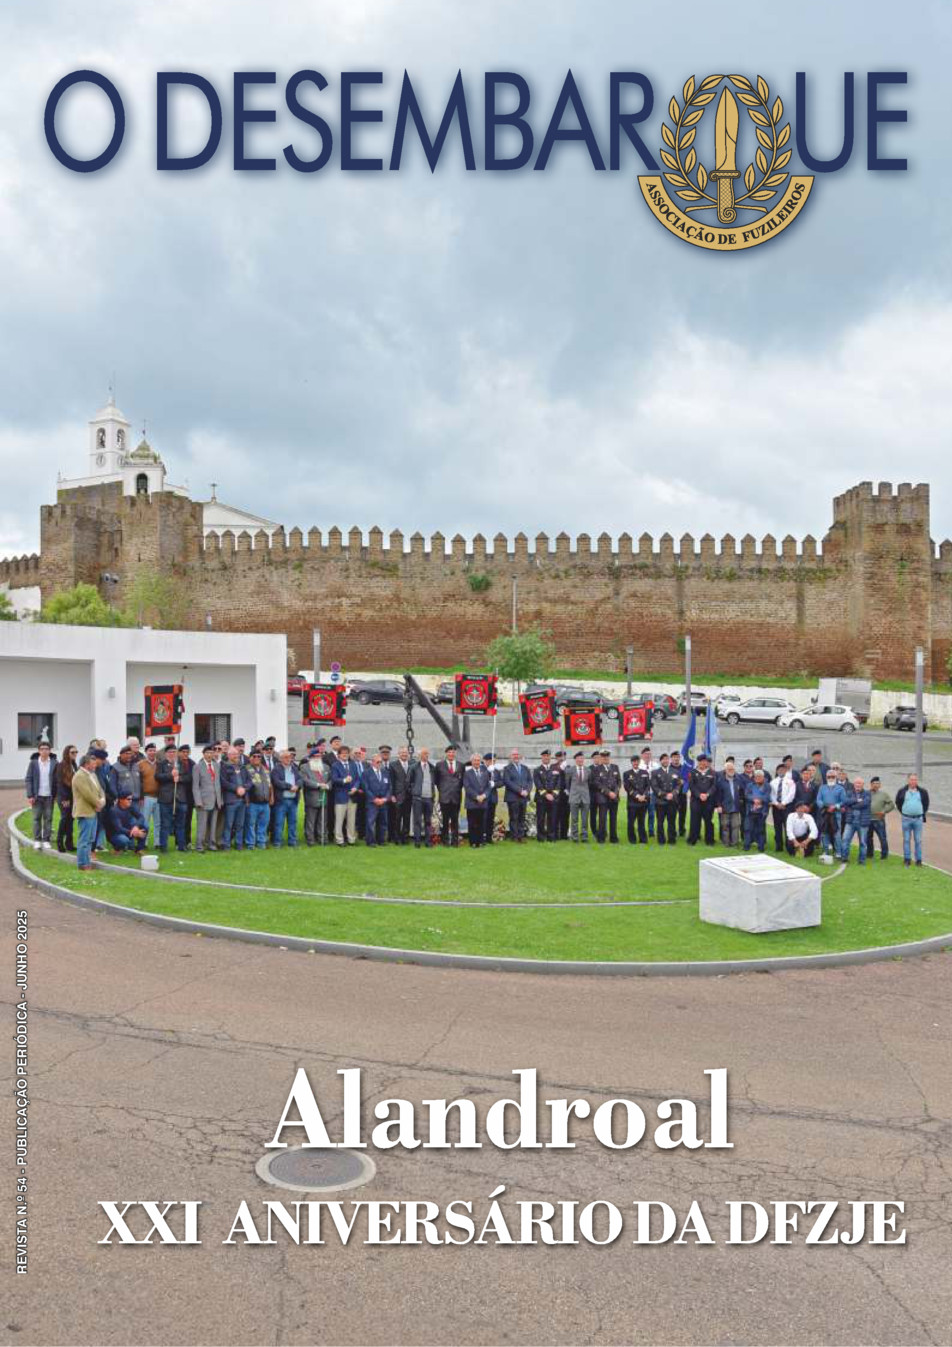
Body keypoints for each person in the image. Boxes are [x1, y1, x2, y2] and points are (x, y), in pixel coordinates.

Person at [72, 751, 106, 871]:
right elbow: (87, 794)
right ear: (86, 764)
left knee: (90, 839)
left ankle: (87, 862)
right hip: (85, 812)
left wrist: (102, 801)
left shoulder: (93, 775)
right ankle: (83, 864)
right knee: (84, 839)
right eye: (93, 764)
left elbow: (100, 790)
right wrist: (98, 804)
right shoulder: (79, 776)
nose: (95, 765)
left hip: (94, 811)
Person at [25, 739, 56, 850]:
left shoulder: (54, 763)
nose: (44, 751)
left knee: (48, 819)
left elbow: (57, 780)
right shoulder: (33, 763)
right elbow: (28, 779)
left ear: (50, 750)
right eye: (42, 749)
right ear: (39, 751)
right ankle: (37, 840)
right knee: (36, 819)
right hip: (37, 796)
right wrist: (30, 795)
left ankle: (46, 840)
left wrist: (56, 795)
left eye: (46, 749)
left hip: (49, 796)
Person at [193, 745, 223, 852]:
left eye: (211, 753)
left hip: (216, 800)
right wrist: (198, 801)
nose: (210, 755)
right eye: (207, 753)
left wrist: (220, 800)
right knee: (202, 825)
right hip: (203, 801)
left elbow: (218, 784)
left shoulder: (217, 766)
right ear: (203, 754)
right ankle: (199, 845)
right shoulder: (197, 767)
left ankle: (212, 844)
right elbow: (195, 786)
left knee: (213, 824)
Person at [220, 747, 251, 850]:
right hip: (231, 800)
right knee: (228, 824)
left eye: (237, 754)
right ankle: (226, 845)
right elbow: (224, 782)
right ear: (228, 755)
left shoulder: (243, 767)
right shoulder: (225, 767)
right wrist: (236, 788)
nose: (236, 756)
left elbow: (249, 781)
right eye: (233, 754)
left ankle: (239, 844)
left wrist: (244, 788)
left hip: (242, 800)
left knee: (240, 824)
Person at [155, 745, 184, 853]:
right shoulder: (161, 764)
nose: (172, 754)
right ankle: (163, 847)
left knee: (180, 824)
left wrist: (179, 778)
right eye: (170, 752)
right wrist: (170, 775)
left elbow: (188, 777)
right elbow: (158, 777)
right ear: (166, 753)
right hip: (166, 799)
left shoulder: (180, 764)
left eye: (174, 752)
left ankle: (181, 846)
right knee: (165, 824)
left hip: (179, 798)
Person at [896, 774, 929, 867]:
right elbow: (898, 803)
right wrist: (904, 811)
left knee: (918, 840)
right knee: (906, 839)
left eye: (915, 780)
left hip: (918, 819)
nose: (913, 781)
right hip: (906, 819)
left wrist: (921, 812)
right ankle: (907, 859)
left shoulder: (923, 792)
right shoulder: (902, 791)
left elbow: (926, 804)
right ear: (908, 780)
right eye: (911, 779)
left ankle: (918, 860)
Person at [270, 750, 302, 847]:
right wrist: (290, 787)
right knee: (279, 823)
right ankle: (277, 842)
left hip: (293, 800)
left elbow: (300, 779)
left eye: (290, 757)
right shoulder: (276, 769)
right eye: (286, 757)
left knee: (293, 822)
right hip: (281, 800)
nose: (289, 759)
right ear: (281, 759)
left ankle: (292, 842)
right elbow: (277, 782)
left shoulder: (294, 768)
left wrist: (297, 786)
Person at [434, 746, 464, 846]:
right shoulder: (439, 765)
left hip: (456, 797)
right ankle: (445, 841)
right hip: (444, 797)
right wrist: (443, 790)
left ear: (455, 753)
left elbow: (462, 781)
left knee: (455, 820)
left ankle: (455, 841)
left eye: (453, 752)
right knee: (445, 820)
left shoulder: (461, 765)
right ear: (446, 753)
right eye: (449, 752)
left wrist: (455, 789)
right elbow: (436, 781)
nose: (451, 754)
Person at [300, 750, 331, 846]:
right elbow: (305, 780)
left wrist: (328, 785)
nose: (318, 758)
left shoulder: (326, 767)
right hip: (312, 797)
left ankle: (322, 839)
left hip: (324, 796)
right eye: (315, 756)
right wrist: (318, 785)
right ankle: (310, 839)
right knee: (310, 820)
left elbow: (331, 779)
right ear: (311, 757)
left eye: (319, 756)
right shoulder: (304, 767)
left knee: (323, 820)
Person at [591, 750, 621, 844]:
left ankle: (613, 838)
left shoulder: (615, 767)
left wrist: (615, 792)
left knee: (613, 818)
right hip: (602, 797)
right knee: (602, 819)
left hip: (614, 797)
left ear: (609, 757)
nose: (605, 758)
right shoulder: (597, 769)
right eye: (604, 757)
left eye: (607, 756)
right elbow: (597, 783)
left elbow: (619, 781)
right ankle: (601, 838)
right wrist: (608, 793)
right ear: (601, 758)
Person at [331, 745, 359, 846]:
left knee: (351, 820)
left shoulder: (353, 764)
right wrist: (344, 780)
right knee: (339, 820)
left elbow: (357, 779)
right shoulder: (335, 765)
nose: (345, 755)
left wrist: (355, 787)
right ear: (339, 755)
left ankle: (351, 839)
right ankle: (339, 840)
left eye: (346, 753)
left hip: (352, 796)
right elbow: (334, 779)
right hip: (340, 797)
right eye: (343, 753)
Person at [687, 752, 717, 846]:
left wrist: (707, 794)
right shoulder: (692, 772)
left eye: (704, 761)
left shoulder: (712, 772)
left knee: (709, 821)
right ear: (698, 762)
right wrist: (699, 795)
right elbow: (692, 786)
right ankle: (693, 839)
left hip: (708, 801)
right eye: (701, 761)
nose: (703, 763)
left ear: (707, 762)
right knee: (695, 821)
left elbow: (714, 786)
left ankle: (709, 840)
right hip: (696, 801)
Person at [815, 770, 847, 860]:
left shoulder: (840, 788)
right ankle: (825, 851)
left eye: (833, 776)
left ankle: (838, 852)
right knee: (824, 832)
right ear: (826, 777)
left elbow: (844, 801)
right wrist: (825, 806)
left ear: (836, 777)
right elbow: (818, 800)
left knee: (837, 833)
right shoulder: (822, 788)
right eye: (829, 777)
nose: (831, 778)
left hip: (836, 814)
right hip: (825, 813)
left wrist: (835, 806)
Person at [408, 747, 436, 847]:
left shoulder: (432, 767)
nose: (426, 755)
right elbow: (408, 782)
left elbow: (434, 781)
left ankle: (428, 841)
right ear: (419, 755)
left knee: (428, 821)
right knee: (417, 821)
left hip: (429, 798)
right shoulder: (414, 767)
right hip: (418, 798)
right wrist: (414, 792)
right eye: (424, 753)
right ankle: (417, 841)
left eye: (427, 753)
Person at [841, 776, 872, 865]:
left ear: (863, 784)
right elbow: (845, 801)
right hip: (850, 821)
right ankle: (844, 858)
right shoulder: (849, 793)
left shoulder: (867, 793)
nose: (858, 785)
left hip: (862, 822)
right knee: (845, 840)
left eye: (860, 783)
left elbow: (865, 803)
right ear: (854, 784)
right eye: (856, 783)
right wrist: (857, 800)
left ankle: (861, 861)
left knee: (862, 843)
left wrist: (852, 805)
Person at [463, 752, 491, 848]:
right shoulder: (467, 773)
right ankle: (473, 842)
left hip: (483, 802)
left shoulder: (485, 772)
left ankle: (481, 841)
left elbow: (488, 787)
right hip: (472, 803)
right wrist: (476, 797)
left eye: (478, 760)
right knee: (472, 823)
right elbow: (467, 787)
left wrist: (484, 795)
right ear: (471, 761)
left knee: (481, 823)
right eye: (475, 760)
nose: (476, 762)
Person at [502, 750, 532, 841]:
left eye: (517, 754)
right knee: (514, 817)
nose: (516, 756)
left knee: (522, 817)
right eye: (514, 754)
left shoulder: (525, 768)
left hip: (524, 796)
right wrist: (520, 791)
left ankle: (521, 836)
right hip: (513, 797)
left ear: (520, 756)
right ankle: (514, 836)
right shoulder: (507, 769)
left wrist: (527, 791)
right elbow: (507, 782)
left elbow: (530, 781)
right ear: (511, 757)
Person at [363, 752, 391, 846]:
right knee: (370, 822)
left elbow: (389, 787)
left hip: (383, 802)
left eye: (380, 762)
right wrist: (374, 799)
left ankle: (381, 840)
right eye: (377, 762)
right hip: (372, 802)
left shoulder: (385, 772)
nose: (379, 764)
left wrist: (385, 799)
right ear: (372, 762)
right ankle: (370, 841)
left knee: (383, 822)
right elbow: (366, 788)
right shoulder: (366, 773)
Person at [651, 753, 680, 846]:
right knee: (660, 822)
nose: (666, 761)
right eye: (663, 759)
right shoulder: (655, 772)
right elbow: (655, 787)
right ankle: (661, 840)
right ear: (661, 761)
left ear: (669, 760)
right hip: (660, 801)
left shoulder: (675, 771)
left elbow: (678, 785)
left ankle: (671, 839)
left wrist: (673, 794)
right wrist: (665, 795)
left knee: (672, 821)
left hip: (672, 800)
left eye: (667, 759)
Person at [53, 744, 78, 852]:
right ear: (67, 753)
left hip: (73, 797)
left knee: (71, 819)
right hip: (64, 797)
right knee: (64, 819)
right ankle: (59, 842)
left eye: (76, 752)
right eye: (72, 752)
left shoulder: (74, 764)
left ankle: (69, 843)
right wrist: (65, 799)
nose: (75, 754)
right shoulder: (60, 765)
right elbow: (60, 783)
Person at [533, 749, 560, 843]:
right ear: (542, 757)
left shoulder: (556, 769)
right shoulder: (537, 770)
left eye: (548, 756)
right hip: (541, 799)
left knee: (552, 818)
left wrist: (553, 795)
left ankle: (551, 837)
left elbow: (558, 784)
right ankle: (541, 837)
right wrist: (546, 794)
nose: (546, 758)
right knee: (541, 818)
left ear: (550, 757)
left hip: (553, 798)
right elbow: (538, 784)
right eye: (544, 756)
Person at [623, 755, 651, 844]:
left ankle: (643, 839)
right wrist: (637, 796)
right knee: (631, 822)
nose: (635, 763)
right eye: (633, 761)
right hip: (632, 802)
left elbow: (648, 786)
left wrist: (644, 795)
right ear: (631, 762)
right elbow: (627, 787)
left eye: (637, 761)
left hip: (643, 802)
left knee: (641, 822)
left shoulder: (645, 772)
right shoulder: (627, 773)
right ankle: (632, 840)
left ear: (639, 762)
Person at [715, 761, 744, 848]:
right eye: (729, 769)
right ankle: (726, 843)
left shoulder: (738, 780)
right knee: (725, 826)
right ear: (725, 770)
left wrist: (741, 800)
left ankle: (734, 843)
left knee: (736, 826)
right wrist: (719, 806)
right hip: (725, 807)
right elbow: (718, 795)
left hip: (735, 807)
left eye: (732, 769)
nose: (731, 771)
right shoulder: (720, 781)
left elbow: (742, 792)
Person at [388, 746, 412, 846]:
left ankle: (405, 838)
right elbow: (391, 781)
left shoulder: (412, 764)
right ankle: (396, 838)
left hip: (409, 795)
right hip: (398, 795)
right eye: (402, 752)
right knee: (397, 818)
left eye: (405, 752)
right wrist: (392, 795)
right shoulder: (393, 765)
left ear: (408, 754)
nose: (404, 754)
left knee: (407, 818)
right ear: (398, 754)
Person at [769, 762, 796, 853]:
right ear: (777, 771)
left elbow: (791, 794)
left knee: (788, 826)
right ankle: (779, 846)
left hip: (787, 807)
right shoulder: (773, 782)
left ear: (786, 771)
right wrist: (777, 803)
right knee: (777, 827)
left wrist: (783, 803)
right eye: (779, 770)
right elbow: (771, 795)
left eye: (783, 770)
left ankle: (789, 846)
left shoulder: (790, 781)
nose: (781, 771)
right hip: (776, 807)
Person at [743, 769, 771, 853]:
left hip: (762, 812)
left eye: (760, 777)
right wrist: (754, 800)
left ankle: (761, 846)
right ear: (754, 778)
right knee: (748, 829)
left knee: (761, 830)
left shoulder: (767, 786)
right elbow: (747, 795)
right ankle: (746, 846)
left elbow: (767, 797)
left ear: (763, 777)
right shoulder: (750, 785)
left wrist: (760, 800)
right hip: (750, 811)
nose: (758, 778)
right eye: (756, 777)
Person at [867, 776, 894, 861]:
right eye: (874, 783)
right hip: (868, 820)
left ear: (880, 785)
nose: (876, 785)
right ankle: (869, 854)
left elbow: (891, 804)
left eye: (877, 783)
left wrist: (884, 811)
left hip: (879, 820)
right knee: (868, 838)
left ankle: (884, 855)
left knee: (882, 838)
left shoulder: (884, 794)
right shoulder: (866, 793)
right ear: (871, 784)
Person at [567, 751, 591, 843]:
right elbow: (567, 783)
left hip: (585, 798)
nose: (580, 760)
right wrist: (571, 793)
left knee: (585, 819)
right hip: (574, 797)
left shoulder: (588, 770)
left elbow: (589, 783)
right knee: (574, 819)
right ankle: (575, 836)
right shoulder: (570, 770)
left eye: (582, 758)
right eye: (578, 758)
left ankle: (584, 836)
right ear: (575, 759)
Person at [138, 742, 160, 845]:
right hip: (146, 797)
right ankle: (144, 842)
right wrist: (141, 796)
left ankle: (157, 842)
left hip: (159, 797)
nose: (152, 752)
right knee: (145, 822)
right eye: (150, 750)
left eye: (154, 750)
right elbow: (138, 781)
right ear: (146, 752)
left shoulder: (160, 764)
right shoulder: (140, 764)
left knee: (158, 822)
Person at [175, 744, 195, 850]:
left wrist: (180, 778)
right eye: (183, 752)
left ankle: (188, 841)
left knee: (188, 820)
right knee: (179, 821)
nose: (185, 754)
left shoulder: (192, 763)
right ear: (179, 753)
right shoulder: (176, 763)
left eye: (187, 752)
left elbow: (191, 777)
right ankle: (178, 842)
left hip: (189, 796)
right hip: (178, 795)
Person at [483, 753, 502, 844]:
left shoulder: (496, 771)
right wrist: (488, 772)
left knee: (490, 819)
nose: (493, 763)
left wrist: (495, 784)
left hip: (493, 798)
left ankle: (489, 837)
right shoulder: (482, 769)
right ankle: (482, 837)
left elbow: (501, 782)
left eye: (494, 761)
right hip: (483, 798)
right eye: (491, 761)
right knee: (483, 818)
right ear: (486, 761)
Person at [669, 750, 688, 837]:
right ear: (671, 758)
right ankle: (672, 831)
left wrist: (685, 782)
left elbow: (688, 779)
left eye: (677, 757)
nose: (676, 759)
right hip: (673, 795)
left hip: (683, 795)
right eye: (674, 757)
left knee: (683, 814)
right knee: (672, 815)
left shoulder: (684, 768)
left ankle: (682, 830)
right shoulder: (668, 769)